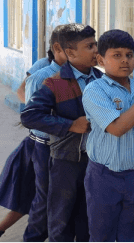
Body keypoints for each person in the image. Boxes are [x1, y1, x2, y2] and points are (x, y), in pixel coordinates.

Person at [82, 29, 134, 242]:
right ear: (100, 59)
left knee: (133, 232)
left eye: (129, 55)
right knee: (102, 234)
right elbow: (117, 128)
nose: (125, 61)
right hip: (104, 177)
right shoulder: (95, 90)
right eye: (116, 55)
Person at [21, 24, 103, 242]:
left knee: (87, 218)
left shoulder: (102, 80)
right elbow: (29, 115)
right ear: (70, 52)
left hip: (95, 161)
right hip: (65, 161)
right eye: (89, 46)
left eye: (95, 44)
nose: (96, 50)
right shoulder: (56, 82)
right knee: (60, 219)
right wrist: (69, 124)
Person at [0, 28, 64, 239]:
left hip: (58, 143)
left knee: (38, 196)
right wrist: (38, 110)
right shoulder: (43, 67)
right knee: (32, 195)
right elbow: (22, 89)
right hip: (39, 141)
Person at [22, 25, 68, 242]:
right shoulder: (42, 77)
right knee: (45, 198)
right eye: (74, 48)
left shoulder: (84, 76)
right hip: (45, 146)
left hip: (71, 149)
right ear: (57, 49)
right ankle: (33, 237)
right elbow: (32, 118)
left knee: (65, 199)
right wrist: (68, 125)